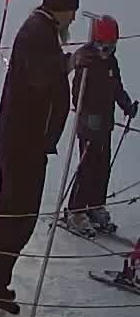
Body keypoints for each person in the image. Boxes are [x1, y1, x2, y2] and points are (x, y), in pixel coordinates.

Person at [0, 0, 78, 315]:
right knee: (14, 216)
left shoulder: (44, 30)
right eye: (72, 10)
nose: (74, 18)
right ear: (60, 8)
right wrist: (71, 62)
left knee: (16, 216)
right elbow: (40, 75)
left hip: (27, 141)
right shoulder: (36, 31)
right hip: (21, 143)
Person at [64, 14, 134, 236]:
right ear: (94, 41)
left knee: (103, 167)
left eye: (111, 47)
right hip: (88, 125)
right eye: (103, 46)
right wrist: (86, 112)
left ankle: (95, 206)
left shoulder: (111, 62)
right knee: (87, 166)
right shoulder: (86, 60)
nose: (107, 52)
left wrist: (126, 105)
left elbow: (116, 87)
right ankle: (75, 210)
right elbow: (76, 95)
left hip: (105, 124)